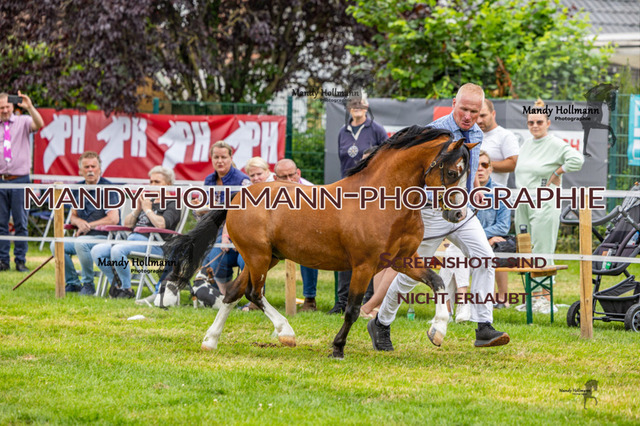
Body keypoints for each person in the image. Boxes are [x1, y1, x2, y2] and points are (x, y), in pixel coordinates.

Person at [368, 83, 511, 351]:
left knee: (485, 258)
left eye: (475, 112)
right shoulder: (434, 133)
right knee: (410, 276)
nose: (468, 116)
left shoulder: (476, 132)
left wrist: (475, 192)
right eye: (464, 109)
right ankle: (381, 323)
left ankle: (484, 327)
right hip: (431, 214)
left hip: (462, 211)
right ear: (454, 103)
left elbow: (467, 170)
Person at [515, 99, 584, 310]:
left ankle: (545, 299)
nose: (535, 126)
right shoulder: (527, 144)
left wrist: (557, 172)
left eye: (539, 122)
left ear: (548, 123)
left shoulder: (555, 143)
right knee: (525, 248)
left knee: (542, 249)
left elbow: (577, 160)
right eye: (531, 122)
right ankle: (532, 298)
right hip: (523, 201)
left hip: (544, 202)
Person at [440, 151, 512, 319]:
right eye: (476, 165)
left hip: (489, 246)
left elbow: (503, 226)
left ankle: (447, 310)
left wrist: (480, 237)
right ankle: (459, 307)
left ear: (491, 169)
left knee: (453, 254)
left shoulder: (501, 192)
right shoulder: (461, 193)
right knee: (454, 252)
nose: (480, 169)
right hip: (465, 246)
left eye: (484, 165)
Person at [333, 95, 388, 314]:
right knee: (344, 245)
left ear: (367, 107)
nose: (357, 107)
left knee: (368, 248)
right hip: (348, 191)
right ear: (348, 108)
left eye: (361, 104)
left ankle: (368, 299)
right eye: (353, 104)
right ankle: (341, 302)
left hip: (371, 194)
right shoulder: (342, 131)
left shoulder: (377, 129)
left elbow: (386, 159)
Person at [91, 166, 180, 299]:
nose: (152, 185)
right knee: (97, 251)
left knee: (117, 250)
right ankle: (118, 285)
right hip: (132, 240)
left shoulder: (172, 203)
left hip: (155, 245)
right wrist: (138, 209)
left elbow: (161, 224)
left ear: (168, 185)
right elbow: (127, 225)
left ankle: (126, 289)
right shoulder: (147, 202)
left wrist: (148, 210)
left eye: (157, 182)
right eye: (151, 182)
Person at [51, 151, 119, 295]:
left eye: (93, 166)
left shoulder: (108, 188)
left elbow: (114, 219)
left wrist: (88, 225)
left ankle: (88, 284)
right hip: (83, 238)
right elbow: (73, 216)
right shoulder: (77, 189)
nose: (90, 170)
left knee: (81, 243)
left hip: (105, 237)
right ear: (80, 171)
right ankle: (73, 282)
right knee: (56, 244)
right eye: (86, 167)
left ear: (99, 169)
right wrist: (79, 222)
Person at [0, 91, 44, 272]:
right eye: (1, 108)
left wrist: (30, 106)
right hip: (1, 180)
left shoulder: (23, 121)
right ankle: (3, 260)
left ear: (12, 106)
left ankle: (20, 260)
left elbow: (39, 124)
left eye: (7, 107)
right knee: (1, 223)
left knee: (21, 222)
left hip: (20, 179)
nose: (4, 110)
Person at [199, 141, 250, 294]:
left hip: (236, 228)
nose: (220, 161)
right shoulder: (209, 180)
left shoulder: (242, 180)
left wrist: (227, 233)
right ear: (211, 159)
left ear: (230, 158)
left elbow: (245, 211)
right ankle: (222, 295)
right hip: (213, 228)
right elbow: (205, 210)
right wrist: (199, 208)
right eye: (216, 157)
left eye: (223, 157)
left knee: (214, 256)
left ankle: (224, 295)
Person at [273, 158, 318, 312]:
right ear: (275, 178)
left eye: (292, 175)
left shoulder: (311, 190)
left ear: (298, 173)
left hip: (305, 235)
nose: (289, 180)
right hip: (277, 236)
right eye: (283, 177)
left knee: (309, 251)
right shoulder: (270, 190)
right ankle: (256, 297)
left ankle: (310, 300)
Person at [476, 99, 519, 187]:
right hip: (471, 192)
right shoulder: (470, 136)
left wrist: (484, 164)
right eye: (476, 116)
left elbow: (514, 164)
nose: (479, 120)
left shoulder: (505, 135)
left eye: (483, 115)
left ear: (493, 114)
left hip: (495, 192)